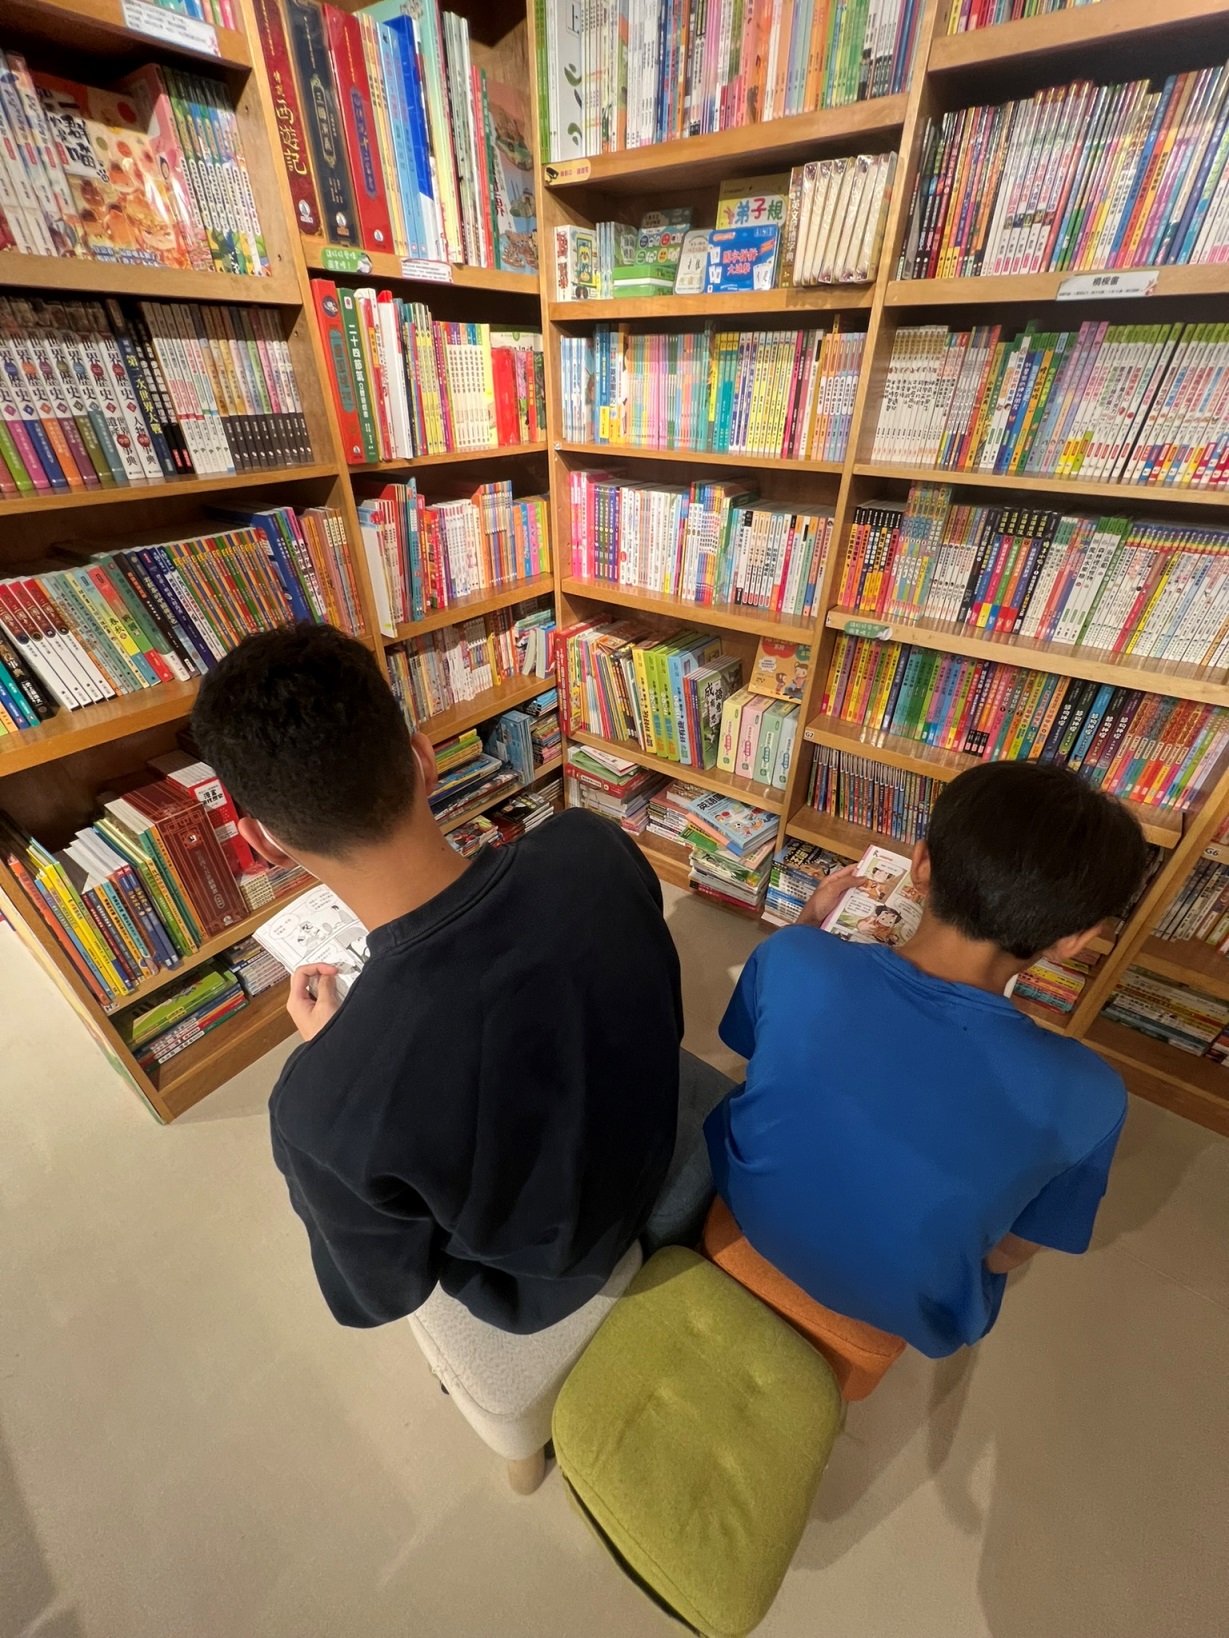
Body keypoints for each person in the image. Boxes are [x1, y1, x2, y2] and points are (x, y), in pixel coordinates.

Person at [192, 624, 683, 1334]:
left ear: (263, 844)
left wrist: (336, 1057)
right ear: (424, 760)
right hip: (651, 1153)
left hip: (542, 1283)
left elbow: (381, 1296)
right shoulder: (594, 844)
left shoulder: (317, 1108)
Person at [704, 761, 1149, 1359]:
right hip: (910, 1306)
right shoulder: (1092, 1092)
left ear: (920, 864)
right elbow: (1006, 1254)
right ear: (1075, 939)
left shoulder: (792, 957)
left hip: (749, 1208)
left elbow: (756, 1053)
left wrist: (806, 926)